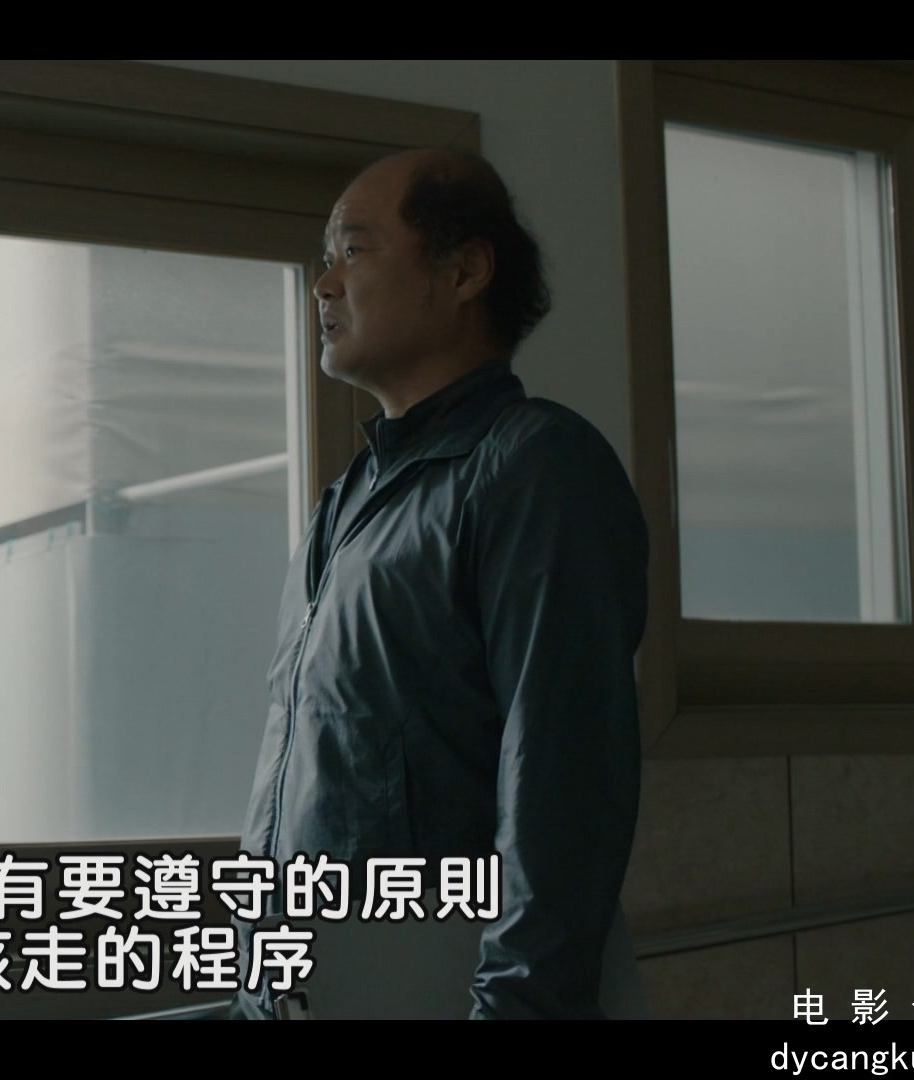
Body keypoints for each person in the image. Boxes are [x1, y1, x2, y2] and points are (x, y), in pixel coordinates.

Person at [232, 148, 650, 1020]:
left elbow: (563, 779)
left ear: (464, 271)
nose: (323, 285)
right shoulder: (345, 503)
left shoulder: (535, 466)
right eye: (325, 258)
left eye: (353, 251)